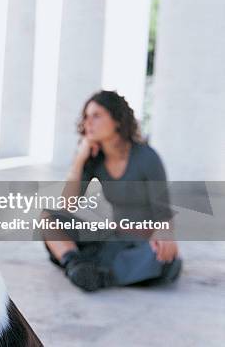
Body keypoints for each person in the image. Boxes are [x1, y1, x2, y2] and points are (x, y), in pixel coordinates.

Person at [42, 90, 182, 291]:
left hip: (141, 245)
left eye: (96, 116)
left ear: (117, 120)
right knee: (49, 218)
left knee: (166, 263)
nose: (88, 122)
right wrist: (80, 158)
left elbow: (163, 211)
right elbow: (68, 205)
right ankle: (76, 265)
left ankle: (98, 274)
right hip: (110, 239)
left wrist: (165, 235)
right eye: (86, 117)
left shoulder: (146, 157)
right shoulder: (94, 159)